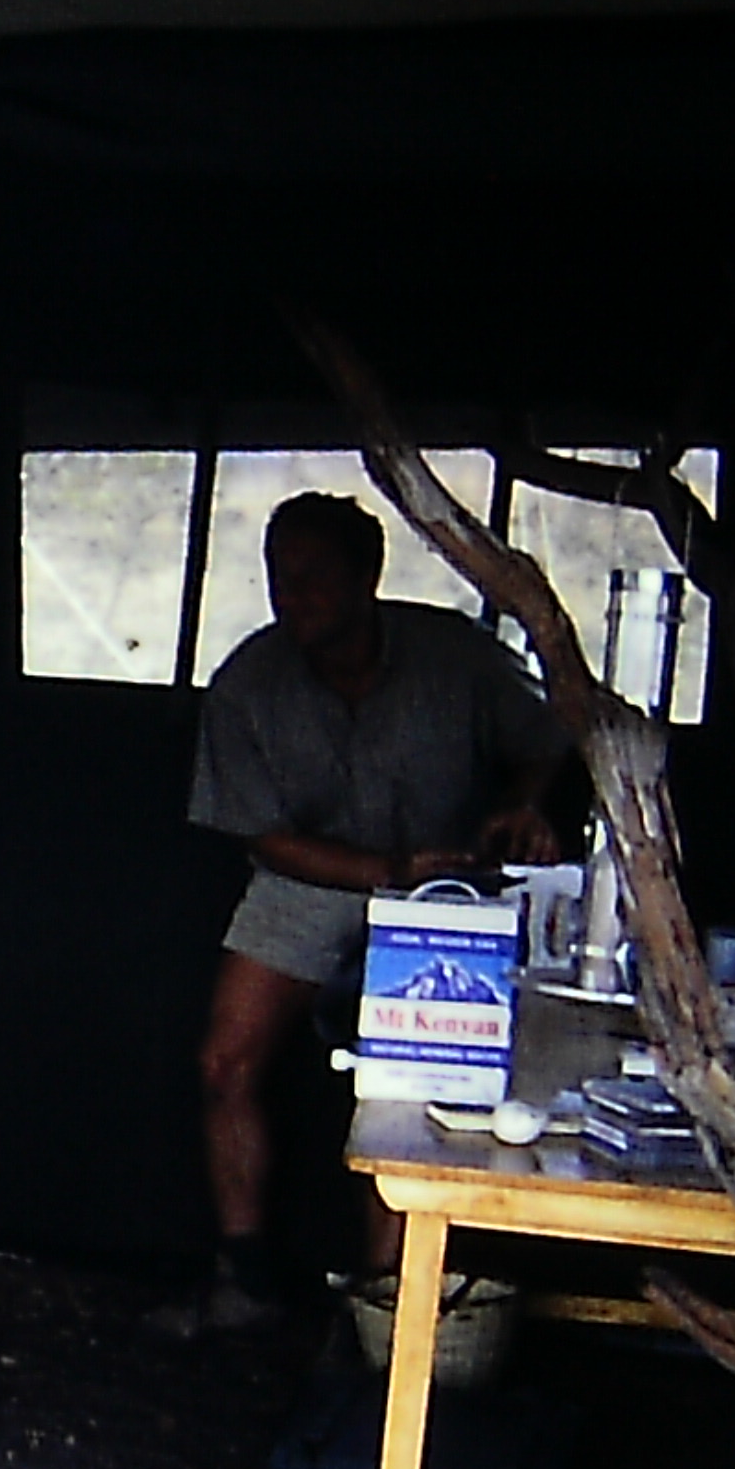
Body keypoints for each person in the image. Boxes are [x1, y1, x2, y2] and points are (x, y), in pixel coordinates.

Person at [175, 491, 568, 1330]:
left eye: (315, 575)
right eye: (281, 577)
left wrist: (519, 810)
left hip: (451, 886)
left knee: (405, 1091)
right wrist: (383, 868)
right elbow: (266, 838)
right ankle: (244, 1275)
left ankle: (385, 1306)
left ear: (369, 577)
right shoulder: (249, 682)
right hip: (316, 877)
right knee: (224, 1062)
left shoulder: (453, 654)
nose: (295, 595)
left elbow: (545, 744)